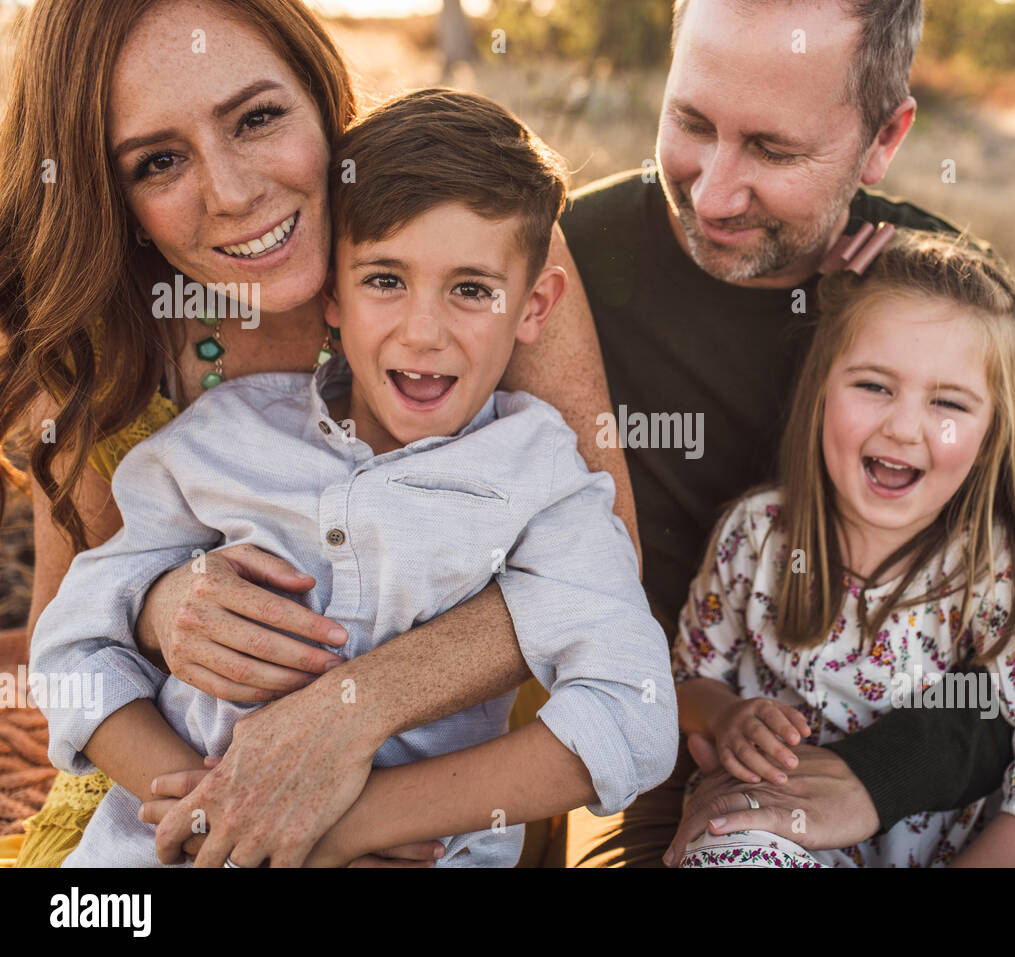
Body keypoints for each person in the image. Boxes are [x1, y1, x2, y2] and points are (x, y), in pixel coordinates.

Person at [558, 0, 1015, 867]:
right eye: (691, 121)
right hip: (711, 772)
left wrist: (874, 777)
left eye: (775, 149)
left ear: (885, 136)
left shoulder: (950, 303)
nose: (711, 191)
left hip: (973, 776)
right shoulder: (571, 264)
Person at [0, 0, 633, 867]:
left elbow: (602, 573)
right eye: (158, 162)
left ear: (321, 90)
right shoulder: (101, 325)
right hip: (162, 813)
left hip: (445, 809)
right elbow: (69, 641)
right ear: (111, 191)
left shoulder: (475, 239)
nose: (233, 193)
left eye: (258, 117)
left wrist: (351, 726)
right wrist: (158, 610)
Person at [671, 227, 1015, 868]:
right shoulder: (758, 535)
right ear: (821, 388)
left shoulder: (998, 573)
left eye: (949, 402)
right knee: (729, 843)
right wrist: (727, 717)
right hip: (792, 831)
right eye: (874, 386)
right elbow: (686, 679)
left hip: (968, 850)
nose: (903, 427)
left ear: (992, 435)